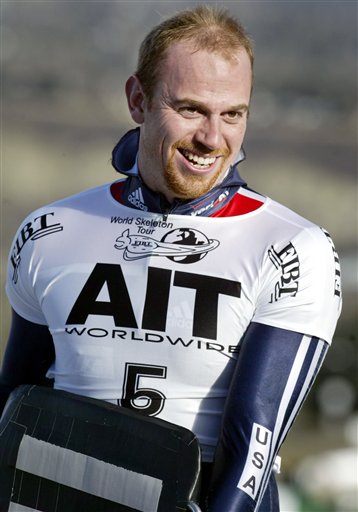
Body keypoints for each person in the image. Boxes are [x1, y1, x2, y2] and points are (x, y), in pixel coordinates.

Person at [0, 5, 342, 511]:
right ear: (138, 100)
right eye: (190, 109)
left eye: (233, 114)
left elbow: (253, 445)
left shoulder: (293, 248)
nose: (211, 138)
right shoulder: (51, 231)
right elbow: (15, 410)